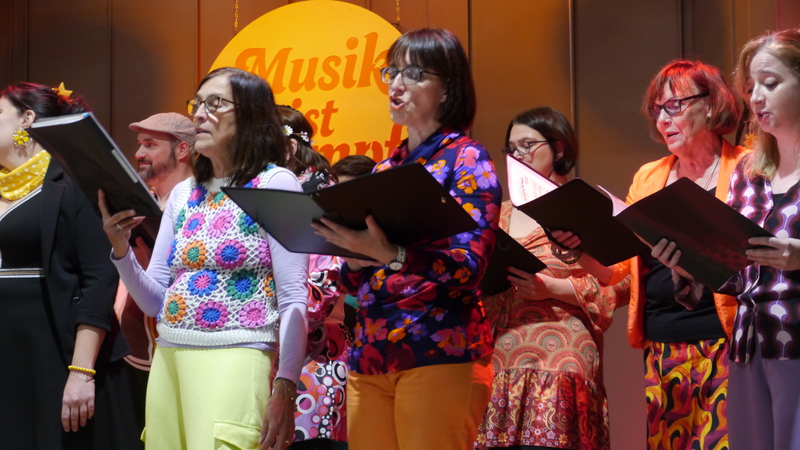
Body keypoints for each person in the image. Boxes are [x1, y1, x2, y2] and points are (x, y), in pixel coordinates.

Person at [311, 28, 502, 450]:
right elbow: (353, 281)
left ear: (448, 88)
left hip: (438, 346)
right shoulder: (385, 169)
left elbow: (470, 268)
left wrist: (392, 254)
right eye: (392, 72)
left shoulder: (467, 158)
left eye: (414, 74)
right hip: (371, 352)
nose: (396, 85)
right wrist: (356, 258)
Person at [99, 67, 308, 450]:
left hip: (237, 357)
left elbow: (294, 296)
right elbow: (154, 301)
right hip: (169, 358)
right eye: (197, 104)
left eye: (215, 103)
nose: (199, 114)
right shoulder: (184, 193)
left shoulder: (276, 183)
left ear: (250, 115)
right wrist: (121, 249)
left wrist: (286, 384)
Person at [554, 60, 745, 450]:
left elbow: (754, 261)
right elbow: (617, 272)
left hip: (727, 341)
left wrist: (693, 263)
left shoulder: (746, 167)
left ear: (711, 104)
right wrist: (579, 250)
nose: (663, 120)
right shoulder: (648, 176)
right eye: (657, 110)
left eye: (674, 106)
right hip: (662, 345)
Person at [475, 107, 630, 450]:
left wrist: (555, 288)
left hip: (560, 356)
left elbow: (625, 282)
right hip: (500, 356)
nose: (518, 155)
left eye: (528, 145)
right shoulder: (499, 214)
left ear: (558, 149)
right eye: (512, 148)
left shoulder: (585, 205)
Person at [0, 82, 140, 448]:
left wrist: (81, 371)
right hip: (8, 350)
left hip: (54, 350)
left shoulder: (73, 182)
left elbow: (99, 278)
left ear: (26, 119)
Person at [710, 28, 800, 449]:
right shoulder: (748, 174)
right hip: (750, 344)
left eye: (770, 83)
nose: (756, 98)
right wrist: (689, 261)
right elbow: (734, 269)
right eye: (750, 88)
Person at [114, 112, 195, 433]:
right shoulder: (140, 205)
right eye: (139, 145)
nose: (139, 153)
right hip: (131, 351)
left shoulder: (195, 204)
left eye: (150, 144)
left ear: (183, 150)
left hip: (173, 350)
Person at [278, 105, 350, 450]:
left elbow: (322, 289)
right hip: (272, 355)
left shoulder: (325, 202)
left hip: (317, 360)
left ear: (290, 148)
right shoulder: (272, 197)